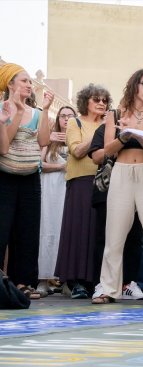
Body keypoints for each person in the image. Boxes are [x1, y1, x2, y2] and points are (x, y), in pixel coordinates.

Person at [91, 68, 143, 305]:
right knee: (114, 234)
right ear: (135, 85)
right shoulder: (115, 114)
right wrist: (124, 136)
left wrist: (141, 135)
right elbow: (107, 150)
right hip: (122, 173)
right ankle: (108, 288)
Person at [0, 63, 52, 300]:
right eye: (24, 81)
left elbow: (43, 141)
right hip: (5, 177)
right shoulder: (2, 110)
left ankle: (24, 283)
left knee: (28, 230)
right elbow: (4, 146)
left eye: (30, 81)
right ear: (10, 84)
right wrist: (17, 112)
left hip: (31, 177)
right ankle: (2, 283)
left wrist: (47, 110)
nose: (29, 85)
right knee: (3, 229)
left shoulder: (39, 113)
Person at [54, 83, 110, 299]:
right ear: (86, 101)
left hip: (103, 182)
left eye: (104, 100)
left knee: (97, 233)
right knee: (78, 231)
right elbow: (76, 151)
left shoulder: (109, 124)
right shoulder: (74, 123)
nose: (101, 103)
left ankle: (95, 281)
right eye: (96, 99)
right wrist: (100, 132)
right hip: (80, 182)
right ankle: (75, 281)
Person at [36, 105, 76, 297]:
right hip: (51, 190)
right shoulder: (49, 138)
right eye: (63, 116)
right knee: (48, 230)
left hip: (70, 190)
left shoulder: (78, 138)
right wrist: (61, 167)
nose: (66, 119)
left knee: (66, 233)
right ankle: (43, 279)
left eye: (70, 116)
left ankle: (66, 280)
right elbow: (39, 164)